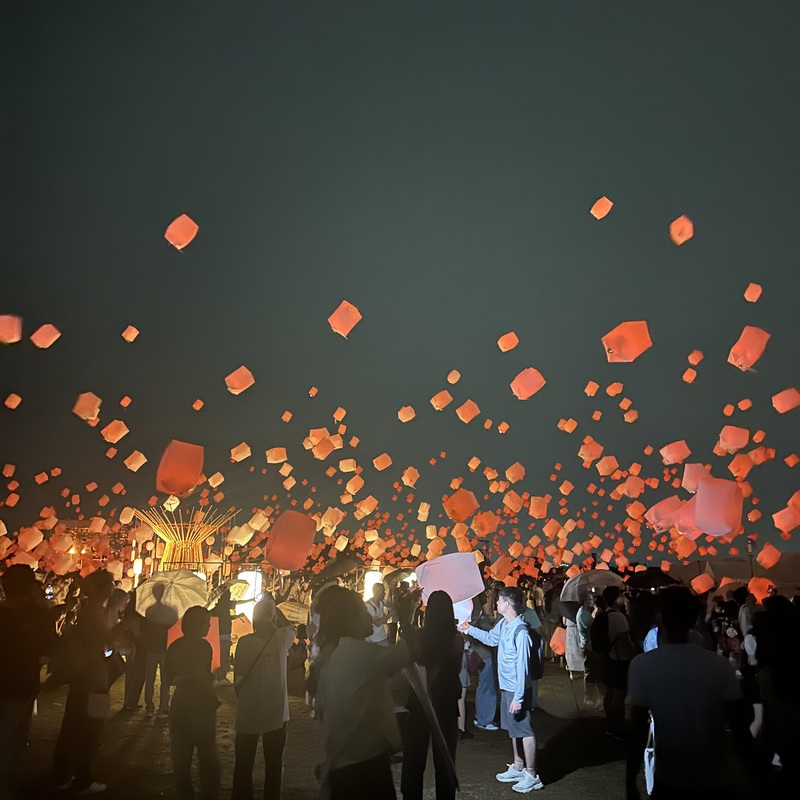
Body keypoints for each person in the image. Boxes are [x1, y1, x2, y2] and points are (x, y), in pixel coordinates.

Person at [626, 585, 765, 800]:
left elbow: (638, 728)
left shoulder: (642, 665)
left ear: (660, 618)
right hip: (715, 778)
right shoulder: (718, 666)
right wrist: (758, 776)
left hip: (670, 778)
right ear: (694, 619)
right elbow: (739, 729)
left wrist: (630, 780)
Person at [315, 590, 410, 800]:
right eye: (362, 612)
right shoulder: (357, 653)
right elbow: (409, 651)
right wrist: (407, 618)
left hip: (344, 762)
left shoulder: (337, 653)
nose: (369, 617)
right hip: (363, 765)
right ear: (350, 620)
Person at [460, 587, 544, 793]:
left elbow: (522, 667)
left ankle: (532, 774)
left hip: (517, 690)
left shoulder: (521, 631)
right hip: (508, 688)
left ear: (507, 603)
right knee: (513, 729)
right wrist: (468, 628)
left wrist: (518, 696)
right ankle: (518, 765)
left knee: (524, 730)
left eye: (498, 600)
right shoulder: (504, 624)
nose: (496, 603)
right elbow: (491, 639)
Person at [52, 569, 116, 795]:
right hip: (93, 680)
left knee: (74, 727)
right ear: (105, 590)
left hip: (84, 680)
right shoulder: (94, 615)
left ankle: (63, 774)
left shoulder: (88, 611)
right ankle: (81, 778)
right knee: (88, 731)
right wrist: (112, 645)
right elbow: (103, 648)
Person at [231, 595, 295, 800]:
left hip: (249, 709)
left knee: (243, 762)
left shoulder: (244, 643)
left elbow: (238, 675)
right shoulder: (280, 640)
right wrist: (276, 608)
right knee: (274, 763)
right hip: (276, 711)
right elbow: (291, 627)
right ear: (273, 619)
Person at [0, 565, 55, 799]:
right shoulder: (37, 616)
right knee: (11, 740)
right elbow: (49, 646)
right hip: (20, 685)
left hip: (17, 685)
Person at [400, 591, 461, 800]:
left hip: (420, 700)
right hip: (445, 701)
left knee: (414, 758)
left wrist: (406, 622)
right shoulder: (456, 640)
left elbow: (414, 657)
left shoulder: (419, 636)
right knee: (445, 760)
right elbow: (456, 667)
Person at [164, 605, 220, 800]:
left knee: (182, 758)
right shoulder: (204, 647)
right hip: (200, 703)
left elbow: (169, 679)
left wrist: (189, 677)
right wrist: (196, 677)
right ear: (197, 625)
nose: (209, 627)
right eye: (206, 623)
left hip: (183, 702)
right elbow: (199, 675)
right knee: (207, 756)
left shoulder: (175, 646)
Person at [594, 585, 635, 739]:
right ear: (616, 598)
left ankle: (611, 724)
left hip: (607, 658)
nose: (623, 598)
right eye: (621, 595)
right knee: (618, 694)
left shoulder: (604, 614)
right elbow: (624, 641)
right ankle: (619, 727)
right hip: (618, 659)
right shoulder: (618, 617)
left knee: (610, 692)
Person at [142, 582, 178, 718]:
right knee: (165, 679)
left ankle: (149, 707)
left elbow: (147, 627)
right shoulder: (170, 610)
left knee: (150, 678)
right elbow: (173, 626)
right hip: (164, 647)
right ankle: (163, 706)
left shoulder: (149, 610)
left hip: (152, 647)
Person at [470, 592, 499, 731]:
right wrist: (488, 615)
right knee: (487, 686)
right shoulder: (478, 615)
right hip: (484, 654)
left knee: (485, 686)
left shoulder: (475, 614)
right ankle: (484, 719)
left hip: (482, 654)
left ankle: (481, 717)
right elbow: (491, 634)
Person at [210, 588, 237, 685]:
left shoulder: (219, 607)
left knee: (221, 655)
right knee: (223, 655)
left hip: (220, 633)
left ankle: (219, 676)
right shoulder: (225, 606)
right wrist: (237, 616)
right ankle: (221, 677)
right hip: (224, 633)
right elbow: (228, 616)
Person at [365, 582, 391, 646]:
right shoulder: (368, 606)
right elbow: (377, 623)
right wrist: (390, 615)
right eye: (383, 591)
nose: (385, 594)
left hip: (382, 636)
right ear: (377, 592)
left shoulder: (382, 601)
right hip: (373, 639)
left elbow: (391, 605)